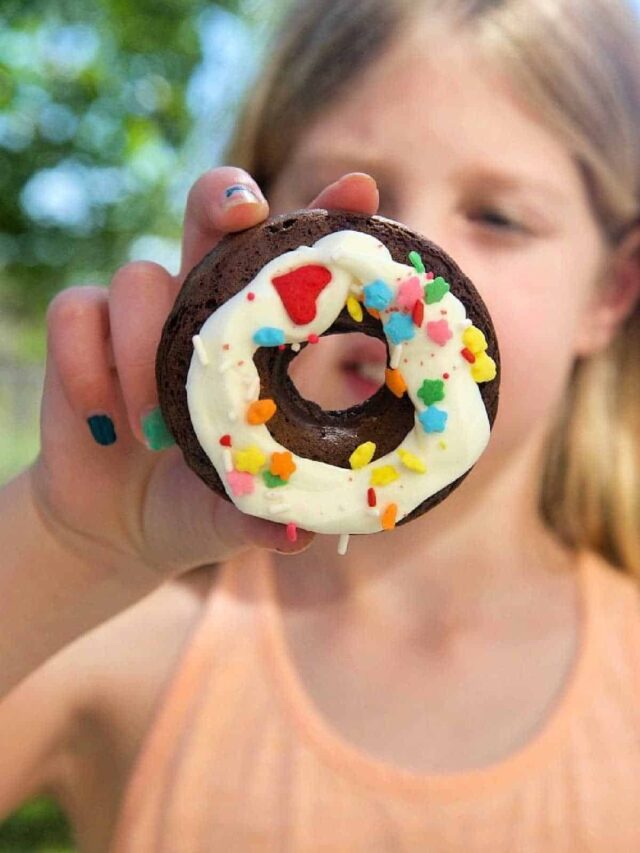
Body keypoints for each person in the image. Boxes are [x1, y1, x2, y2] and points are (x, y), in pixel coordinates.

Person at [2, 0, 640, 848]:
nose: (406, 252)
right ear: (260, 241)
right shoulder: (127, 637)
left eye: (497, 215)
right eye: (351, 210)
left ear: (610, 293)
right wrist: (64, 545)